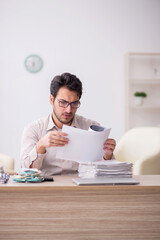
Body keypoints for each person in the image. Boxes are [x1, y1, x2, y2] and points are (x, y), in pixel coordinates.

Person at [20, 73, 116, 176]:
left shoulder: (91, 127)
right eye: (63, 102)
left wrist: (107, 156)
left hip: (80, 188)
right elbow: (25, 171)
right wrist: (40, 146)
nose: (69, 110)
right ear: (52, 100)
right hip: (47, 188)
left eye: (74, 103)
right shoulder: (34, 129)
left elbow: (105, 172)